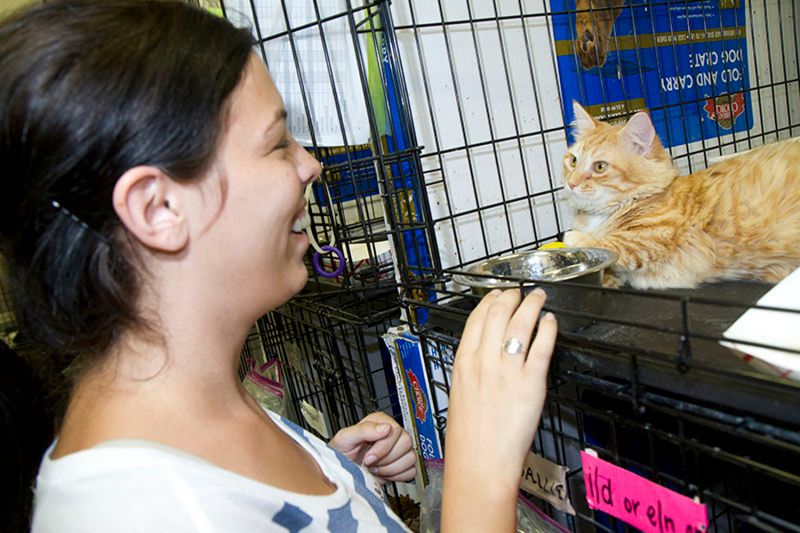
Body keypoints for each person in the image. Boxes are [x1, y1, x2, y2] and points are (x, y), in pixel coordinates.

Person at [0, 1, 558, 531]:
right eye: (276, 145)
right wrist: (479, 476)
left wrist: (337, 481)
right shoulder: (125, 512)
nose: (310, 164)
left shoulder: (202, 408)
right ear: (159, 209)